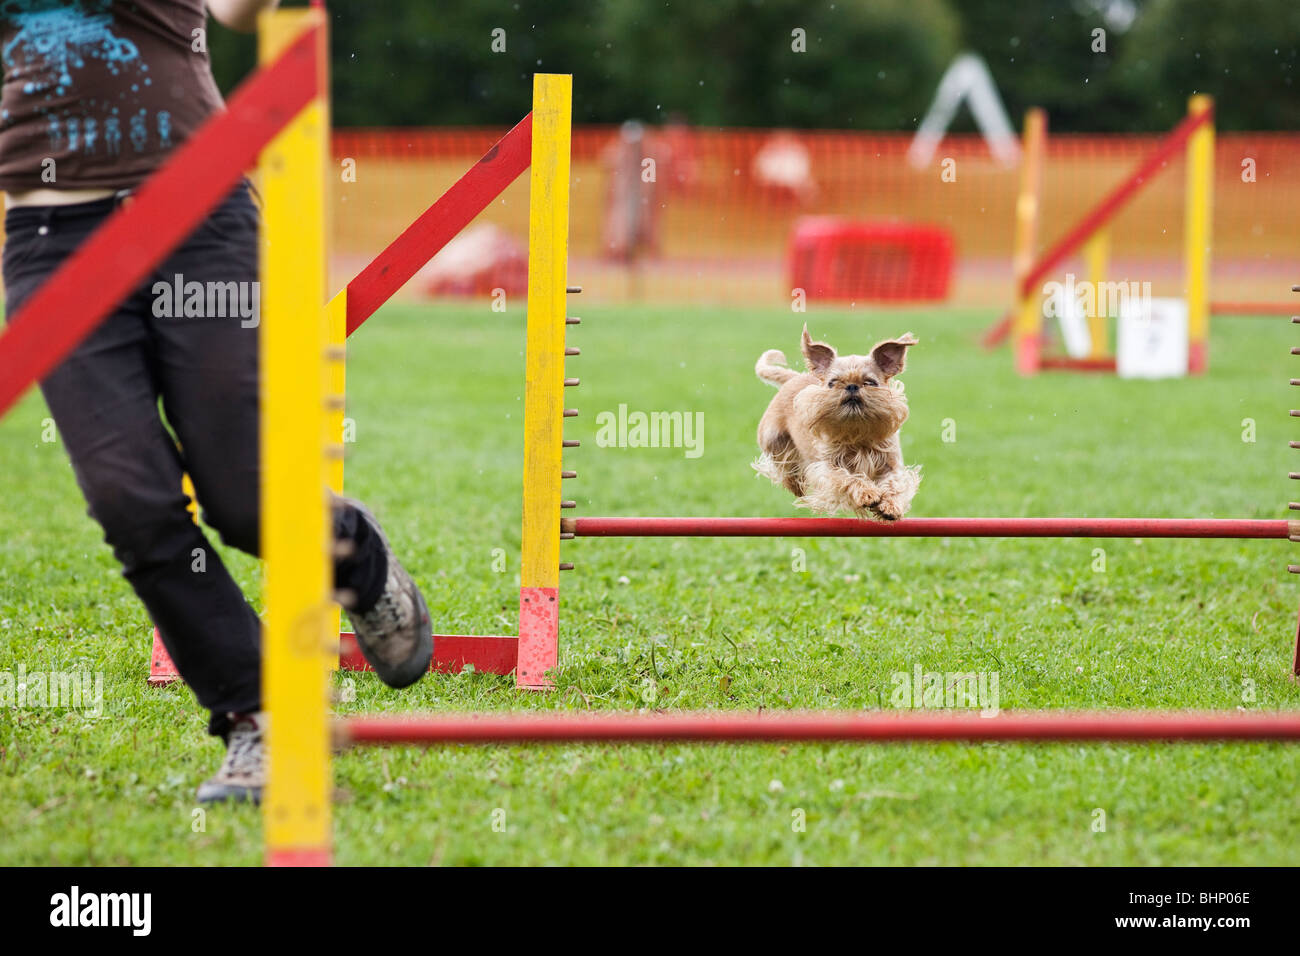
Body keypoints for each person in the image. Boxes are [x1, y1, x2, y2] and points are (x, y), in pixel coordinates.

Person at [0, 0, 433, 803]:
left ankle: (353, 556)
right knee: (129, 500)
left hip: (194, 216)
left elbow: (239, 9)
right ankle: (257, 717)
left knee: (240, 495)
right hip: (49, 240)